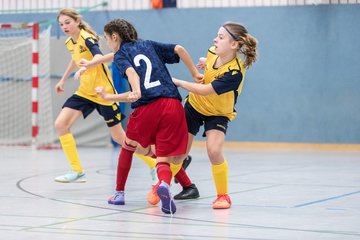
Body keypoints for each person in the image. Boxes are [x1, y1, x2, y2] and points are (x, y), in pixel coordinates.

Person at [77, 18, 202, 214]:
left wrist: (135, 89)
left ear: (115, 37)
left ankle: (119, 193)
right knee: (163, 156)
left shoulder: (121, 55)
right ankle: (165, 185)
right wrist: (194, 72)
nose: (107, 43)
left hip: (148, 107)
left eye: (107, 39)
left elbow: (130, 71)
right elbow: (179, 48)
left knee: (128, 147)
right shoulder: (148, 45)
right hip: (173, 104)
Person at [54, 8, 157, 184]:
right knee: (61, 124)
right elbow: (75, 58)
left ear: (77, 22)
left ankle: (154, 164)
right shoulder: (70, 42)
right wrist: (63, 79)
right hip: (85, 92)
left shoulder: (87, 37)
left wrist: (86, 67)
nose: (64, 26)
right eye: (61, 24)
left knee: (120, 138)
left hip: (104, 93)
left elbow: (99, 56)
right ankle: (77, 171)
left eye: (67, 22)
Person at [172, 21, 258, 209]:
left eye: (221, 37)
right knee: (177, 154)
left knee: (214, 151)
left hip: (218, 114)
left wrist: (179, 82)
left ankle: (223, 196)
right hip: (194, 107)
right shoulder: (213, 52)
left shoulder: (234, 72)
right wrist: (205, 63)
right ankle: (160, 186)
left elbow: (205, 90)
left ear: (234, 44)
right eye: (216, 36)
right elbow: (210, 64)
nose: (215, 39)